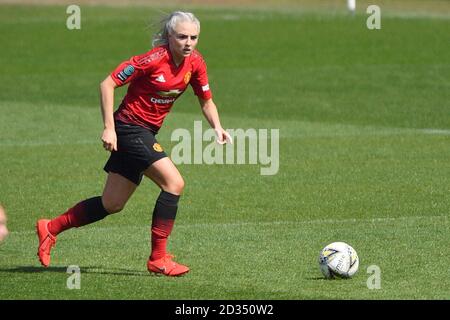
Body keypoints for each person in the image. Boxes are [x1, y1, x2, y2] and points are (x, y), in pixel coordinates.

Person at [36, 11, 231, 276]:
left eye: (193, 37)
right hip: (128, 129)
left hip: (145, 132)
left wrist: (217, 127)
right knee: (174, 183)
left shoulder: (195, 63)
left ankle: (51, 228)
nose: (188, 42)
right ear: (169, 36)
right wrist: (109, 128)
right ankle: (158, 258)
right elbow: (107, 84)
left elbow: (206, 101)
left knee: (112, 203)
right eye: (182, 36)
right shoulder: (151, 60)